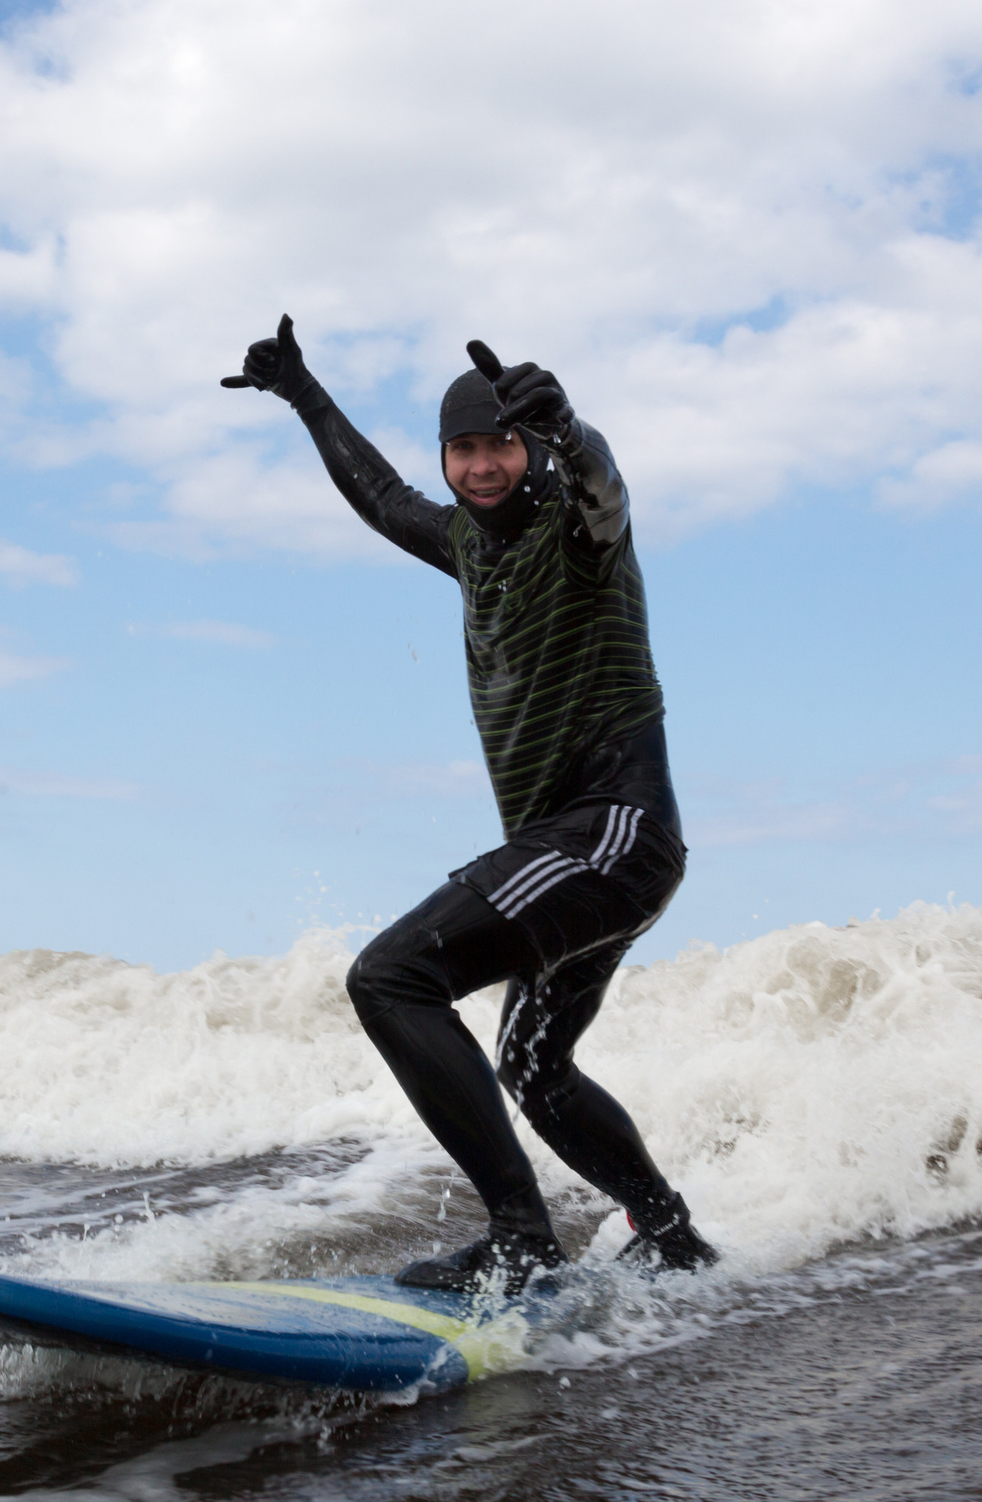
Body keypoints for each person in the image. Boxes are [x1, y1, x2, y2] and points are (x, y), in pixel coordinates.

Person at [224, 315, 719, 1293]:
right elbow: (377, 496)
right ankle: (671, 1239)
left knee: (391, 978)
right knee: (533, 1068)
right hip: (588, 856)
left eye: (503, 441)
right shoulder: (464, 542)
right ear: (448, 458)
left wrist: (570, 429)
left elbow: (602, 488)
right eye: (465, 447)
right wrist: (303, 393)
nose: (485, 464)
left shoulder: (577, 532)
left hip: (611, 831)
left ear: (528, 445)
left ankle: (522, 1240)